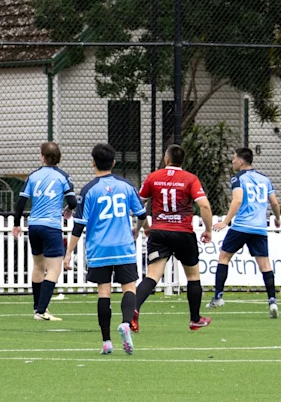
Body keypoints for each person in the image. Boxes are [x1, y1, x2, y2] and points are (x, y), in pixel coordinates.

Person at [63, 143, 146, 355]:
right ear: (114, 162)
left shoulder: (89, 190)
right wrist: (136, 229)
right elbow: (142, 214)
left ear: (92, 163)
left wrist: (68, 253)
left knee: (104, 292)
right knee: (129, 288)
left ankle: (106, 342)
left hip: (99, 248)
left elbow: (79, 225)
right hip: (123, 247)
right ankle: (126, 323)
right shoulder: (127, 186)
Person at [133, 144, 214, 331]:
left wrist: (142, 227)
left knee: (152, 275)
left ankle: (133, 311)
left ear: (166, 159)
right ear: (182, 161)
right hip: (183, 232)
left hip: (159, 232)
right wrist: (208, 229)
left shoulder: (154, 177)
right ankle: (195, 319)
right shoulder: (190, 179)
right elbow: (205, 206)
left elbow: (139, 205)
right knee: (193, 276)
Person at [209, 148, 281, 318]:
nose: (232, 162)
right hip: (259, 228)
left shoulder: (238, 178)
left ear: (241, 162)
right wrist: (277, 219)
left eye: (234, 159)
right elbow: (275, 203)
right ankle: (272, 301)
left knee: (224, 257)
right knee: (265, 265)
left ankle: (218, 296)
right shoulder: (265, 179)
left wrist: (225, 222)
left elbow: (238, 199)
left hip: (241, 225)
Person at [12, 142, 76, 321]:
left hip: (34, 226)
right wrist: (69, 209)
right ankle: (42, 310)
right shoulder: (62, 176)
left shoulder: (33, 176)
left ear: (42, 156)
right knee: (54, 269)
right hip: (51, 226)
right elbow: (72, 200)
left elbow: (21, 202)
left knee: (38, 266)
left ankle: (37, 308)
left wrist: (17, 223)